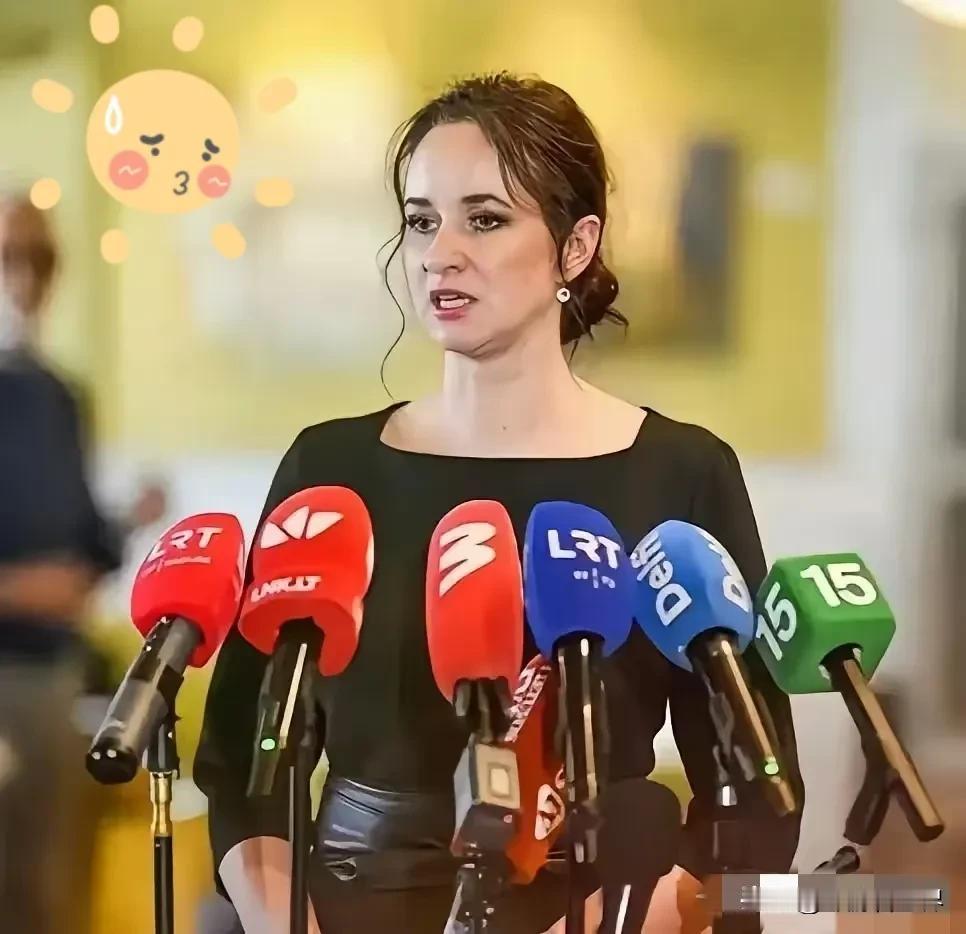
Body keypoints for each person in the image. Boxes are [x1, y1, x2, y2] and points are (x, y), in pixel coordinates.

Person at [195, 73, 804, 934]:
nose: (439, 253)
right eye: (421, 221)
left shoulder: (682, 472)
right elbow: (240, 766)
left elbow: (755, 795)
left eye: (483, 219)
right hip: (347, 905)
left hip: (601, 911)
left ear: (575, 246)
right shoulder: (327, 469)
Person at [0, 194, 167, 934]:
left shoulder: (59, 397)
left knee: (54, 893)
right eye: (9, 256)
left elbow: (82, 547)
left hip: (57, 680)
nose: (25, 277)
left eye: (40, 259)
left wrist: (129, 522)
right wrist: (15, 590)